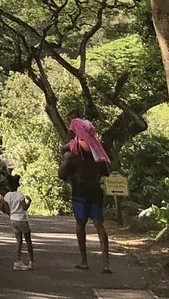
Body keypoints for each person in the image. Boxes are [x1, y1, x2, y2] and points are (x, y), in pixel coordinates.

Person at [59, 116, 113, 273]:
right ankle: (106, 263)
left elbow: (62, 174)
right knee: (99, 225)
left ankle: (84, 260)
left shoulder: (72, 153)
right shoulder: (97, 151)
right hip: (95, 191)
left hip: (79, 192)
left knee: (80, 225)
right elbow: (106, 171)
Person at [0, 173, 34, 271]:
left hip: (13, 219)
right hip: (22, 219)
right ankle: (31, 261)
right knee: (28, 240)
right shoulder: (20, 195)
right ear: (18, 185)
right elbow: (24, 207)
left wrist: (10, 214)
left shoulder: (7, 196)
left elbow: (5, 209)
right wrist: (29, 201)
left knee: (19, 241)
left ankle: (17, 261)